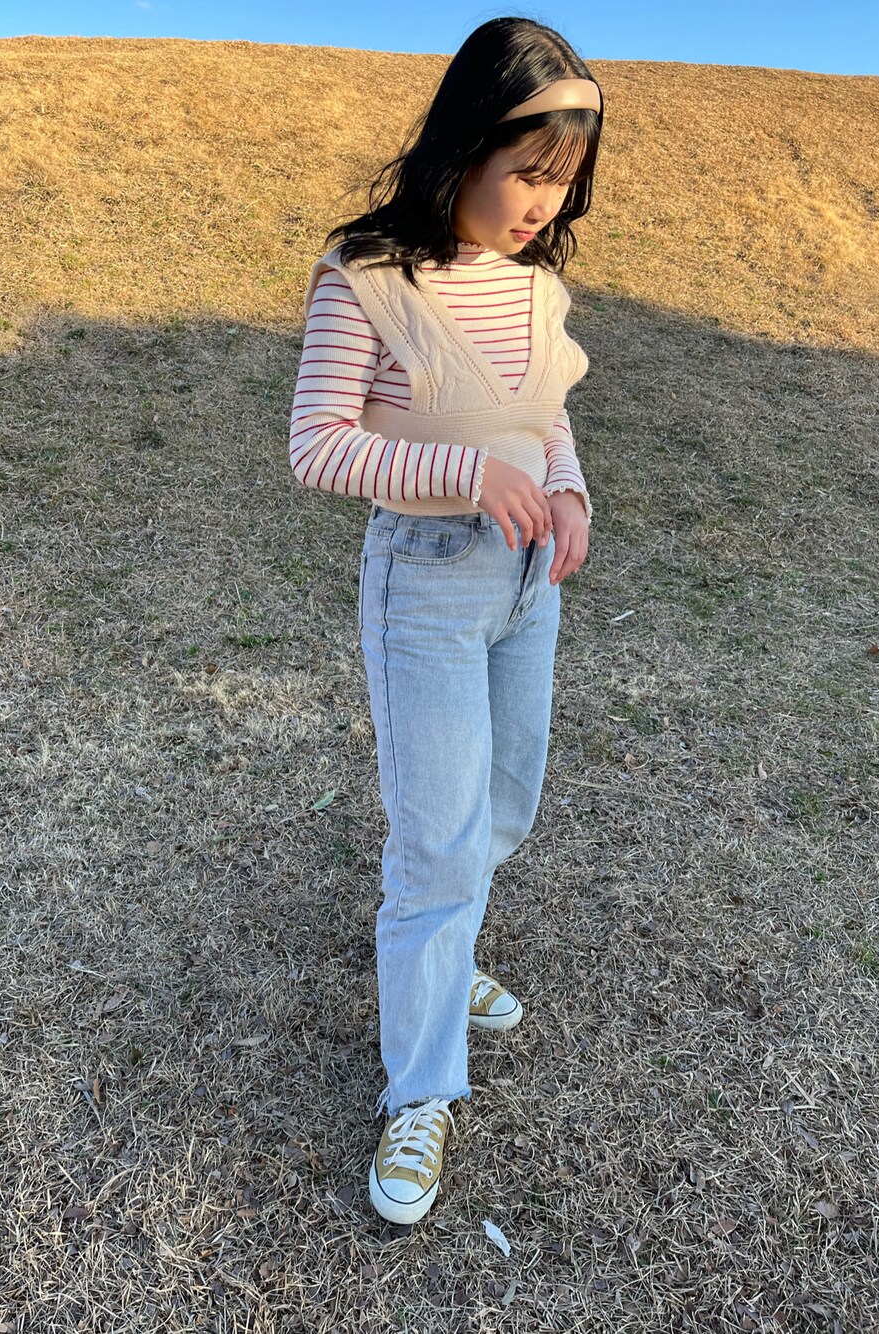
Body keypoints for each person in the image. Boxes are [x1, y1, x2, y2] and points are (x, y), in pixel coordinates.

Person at [288, 16, 603, 1225]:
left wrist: (565, 490)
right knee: (434, 844)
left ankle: (449, 955)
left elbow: (544, 416)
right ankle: (420, 1086)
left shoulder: (536, 287)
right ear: (465, 144)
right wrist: (466, 475)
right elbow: (320, 447)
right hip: (422, 580)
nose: (543, 203)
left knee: (503, 805)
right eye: (528, 172)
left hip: (527, 584)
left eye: (563, 180)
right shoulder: (367, 273)